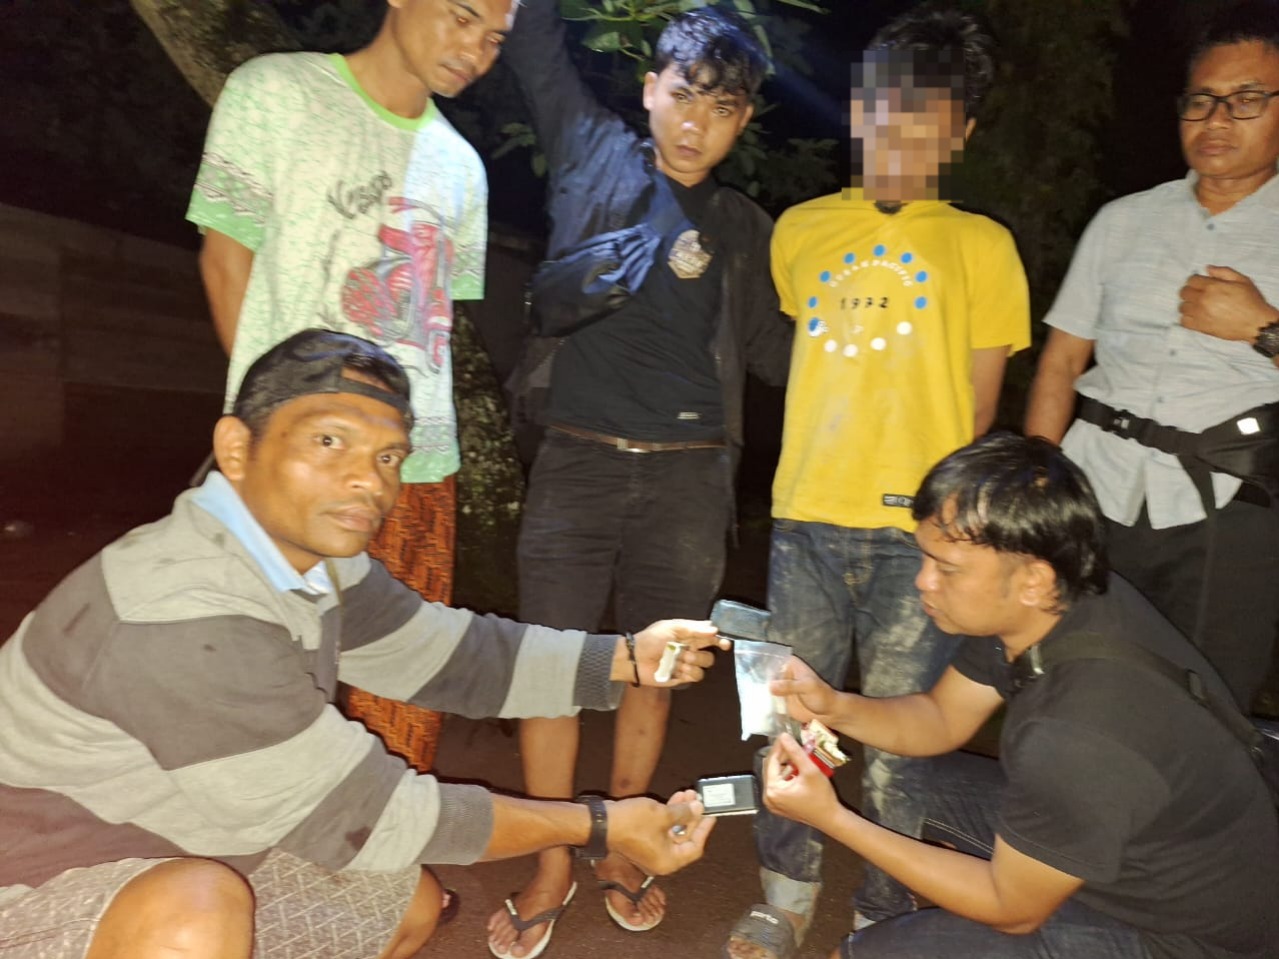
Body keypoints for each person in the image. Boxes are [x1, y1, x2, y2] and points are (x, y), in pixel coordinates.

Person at [0, 330, 724, 959]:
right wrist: (602, 827)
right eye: (328, 441)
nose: (367, 481)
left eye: (387, 457)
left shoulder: (309, 560)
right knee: (193, 917)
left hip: (177, 823)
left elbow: (449, 656)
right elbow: (368, 816)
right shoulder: (182, 611)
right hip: (34, 874)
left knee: (404, 904)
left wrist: (624, 658)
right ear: (237, 448)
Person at [489, 4, 793, 955]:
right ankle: (550, 858)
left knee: (651, 678)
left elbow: (780, 354)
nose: (697, 123)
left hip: (689, 482)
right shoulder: (592, 153)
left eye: (723, 108)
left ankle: (622, 843)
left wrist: (863, 337)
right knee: (548, 673)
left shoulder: (745, 228)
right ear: (649, 88)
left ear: (744, 121)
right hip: (576, 461)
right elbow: (533, 43)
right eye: (684, 95)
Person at [732, 8, 1030, 956]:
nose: (899, 135)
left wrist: (957, 534)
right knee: (784, 720)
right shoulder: (800, 231)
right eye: (884, 110)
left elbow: (980, 407)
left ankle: (883, 915)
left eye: (926, 120)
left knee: (905, 743)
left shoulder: (981, 246)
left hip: (920, 541)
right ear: (858, 109)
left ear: (960, 133)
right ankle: (784, 895)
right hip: (802, 520)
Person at [761, 432, 1279, 959]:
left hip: (1185, 937)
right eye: (925, 558)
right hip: (1141, 855)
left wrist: (832, 818)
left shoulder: (1079, 730)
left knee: (865, 954)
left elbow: (1010, 908)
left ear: (1033, 579)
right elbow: (940, 718)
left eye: (946, 568)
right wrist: (833, 706)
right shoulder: (1059, 602)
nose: (923, 582)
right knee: (913, 788)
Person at [186, 0, 515, 661]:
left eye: (494, 40)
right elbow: (225, 261)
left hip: (415, 464)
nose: (474, 52)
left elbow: (435, 325)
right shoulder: (275, 92)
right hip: (295, 454)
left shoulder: (462, 166)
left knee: (406, 673)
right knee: (255, 666)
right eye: (461, 18)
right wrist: (278, 422)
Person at [1024, 0, 1279, 712]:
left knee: (1204, 706)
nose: (1216, 119)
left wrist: (1261, 327)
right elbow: (1061, 362)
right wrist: (1037, 487)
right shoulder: (1122, 221)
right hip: (1096, 488)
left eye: (1245, 99)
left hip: (1227, 507)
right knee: (1072, 681)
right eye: (1201, 100)